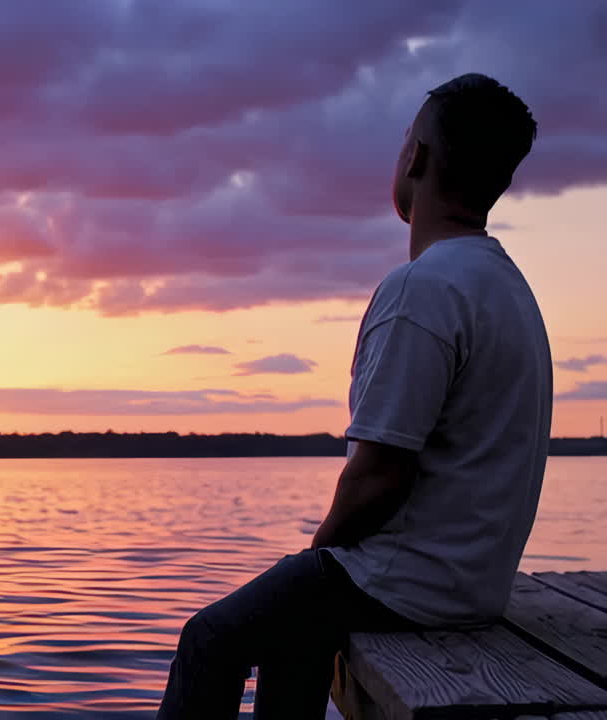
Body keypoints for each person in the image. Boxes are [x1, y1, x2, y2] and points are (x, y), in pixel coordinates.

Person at [156, 73, 549, 719]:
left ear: (416, 158)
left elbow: (379, 477)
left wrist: (317, 554)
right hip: (474, 583)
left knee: (212, 638)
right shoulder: (507, 285)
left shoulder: (422, 290)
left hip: (409, 583)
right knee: (294, 638)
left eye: (403, 143)